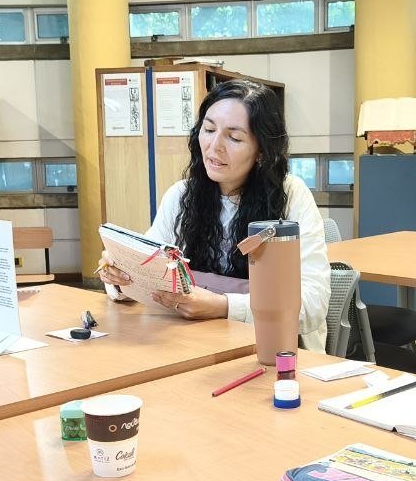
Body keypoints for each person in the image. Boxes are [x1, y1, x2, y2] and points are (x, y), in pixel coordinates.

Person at [98, 79, 330, 350]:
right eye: (208, 129)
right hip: (191, 342)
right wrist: (122, 279)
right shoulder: (181, 195)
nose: (213, 146)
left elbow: (314, 303)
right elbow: (150, 270)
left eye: (234, 137)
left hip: (272, 349)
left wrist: (224, 306)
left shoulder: (291, 196)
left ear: (262, 151)